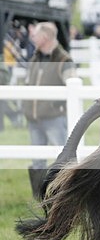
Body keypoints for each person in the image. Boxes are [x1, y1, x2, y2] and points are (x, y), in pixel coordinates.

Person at [22, 22, 76, 169]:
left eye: (36, 35)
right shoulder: (35, 58)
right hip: (34, 118)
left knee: (64, 159)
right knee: (37, 162)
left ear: (44, 37)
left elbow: (73, 91)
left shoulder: (64, 60)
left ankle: (66, 191)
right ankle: (37, 192)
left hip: (54, 118)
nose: (33, 38)